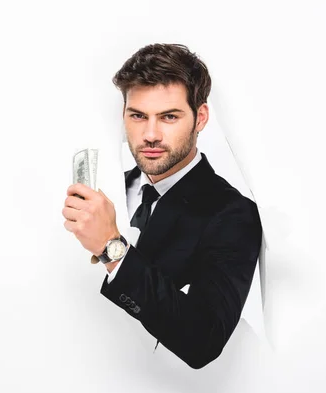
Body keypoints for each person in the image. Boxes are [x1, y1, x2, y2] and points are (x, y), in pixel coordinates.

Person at [62, 43, 263, 369]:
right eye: (138, 116)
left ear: (200, 117)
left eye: (169, 117)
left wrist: (111, 248)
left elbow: (204, 341)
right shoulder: (115, 186)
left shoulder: (233, 214)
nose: (150, 134)